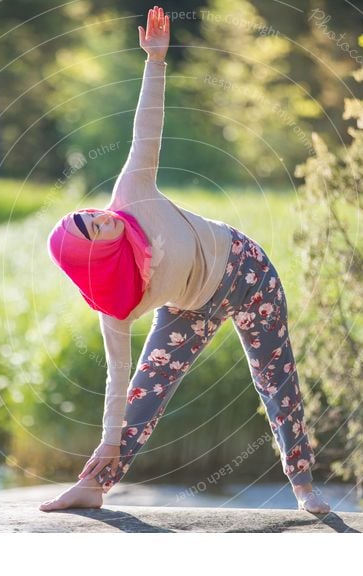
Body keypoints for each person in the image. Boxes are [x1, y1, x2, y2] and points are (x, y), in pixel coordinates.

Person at [40, 6, 330, 514]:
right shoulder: (115, 304)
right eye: (93, 230)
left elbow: (145, 129)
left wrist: (155, 62)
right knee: (144, 392)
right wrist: (108, 441)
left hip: (247, 270)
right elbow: (116, 378)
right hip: (191, 308)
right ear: (89, 257)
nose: (103, 220)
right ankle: (95, 485)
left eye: (93, 216)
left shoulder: (131, 194)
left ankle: (304, 487)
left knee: (275, 378)